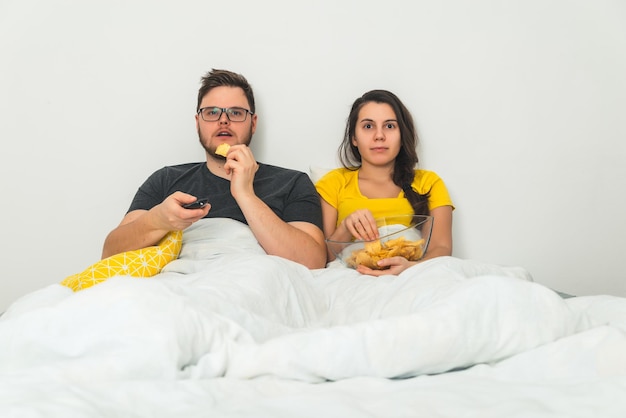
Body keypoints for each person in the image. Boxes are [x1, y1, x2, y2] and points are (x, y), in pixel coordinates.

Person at [102, 69, 327, 269]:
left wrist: (245, 195)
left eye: (236, 113)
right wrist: (158, 219)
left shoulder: (292, 182)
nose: (223, 121)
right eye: (211, 112)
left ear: (254, 123)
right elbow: (109, 253)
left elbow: (313, 262)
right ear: (198, 122)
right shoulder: (166, 179)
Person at [315, 89, 454, 276]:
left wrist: (409, 269)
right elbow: (322, 258)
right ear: (354, 138)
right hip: (350, 279)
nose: (379, 136)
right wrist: (346, 228)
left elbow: (441, 248)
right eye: (368, 126)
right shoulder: (332, 183)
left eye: (389, 126)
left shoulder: (429, 183)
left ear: (403, 135)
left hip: (412, 277)